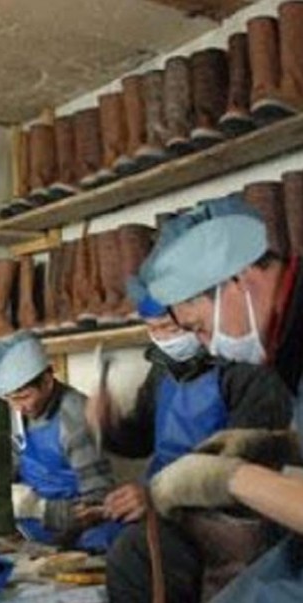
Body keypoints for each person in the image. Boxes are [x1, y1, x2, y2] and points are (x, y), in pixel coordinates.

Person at [136, 193, 303, 602]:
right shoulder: (290, 343)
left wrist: (229, 479)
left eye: (199, 327)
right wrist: (279, 445)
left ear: (237, 281)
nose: (208, 346)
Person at [93, 280, 293, 603]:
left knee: (135, 555)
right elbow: (139, 440)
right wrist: (109, 423)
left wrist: (156, 495)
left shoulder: (245, 369)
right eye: (153, 330)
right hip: (165, 506)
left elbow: (248, 470)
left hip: (226, 519)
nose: (165, 339)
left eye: (172, 328)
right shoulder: (163, 370)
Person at [0, 330, 120, 551]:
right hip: (31, 523)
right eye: (11, 399)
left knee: (106, 541)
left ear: (47, 381)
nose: (18, 408)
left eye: (24, 397)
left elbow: (99, 501)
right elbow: (11, 466)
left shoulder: (74, 417)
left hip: (79, 525)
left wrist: (39, 509)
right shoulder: (19, 413)